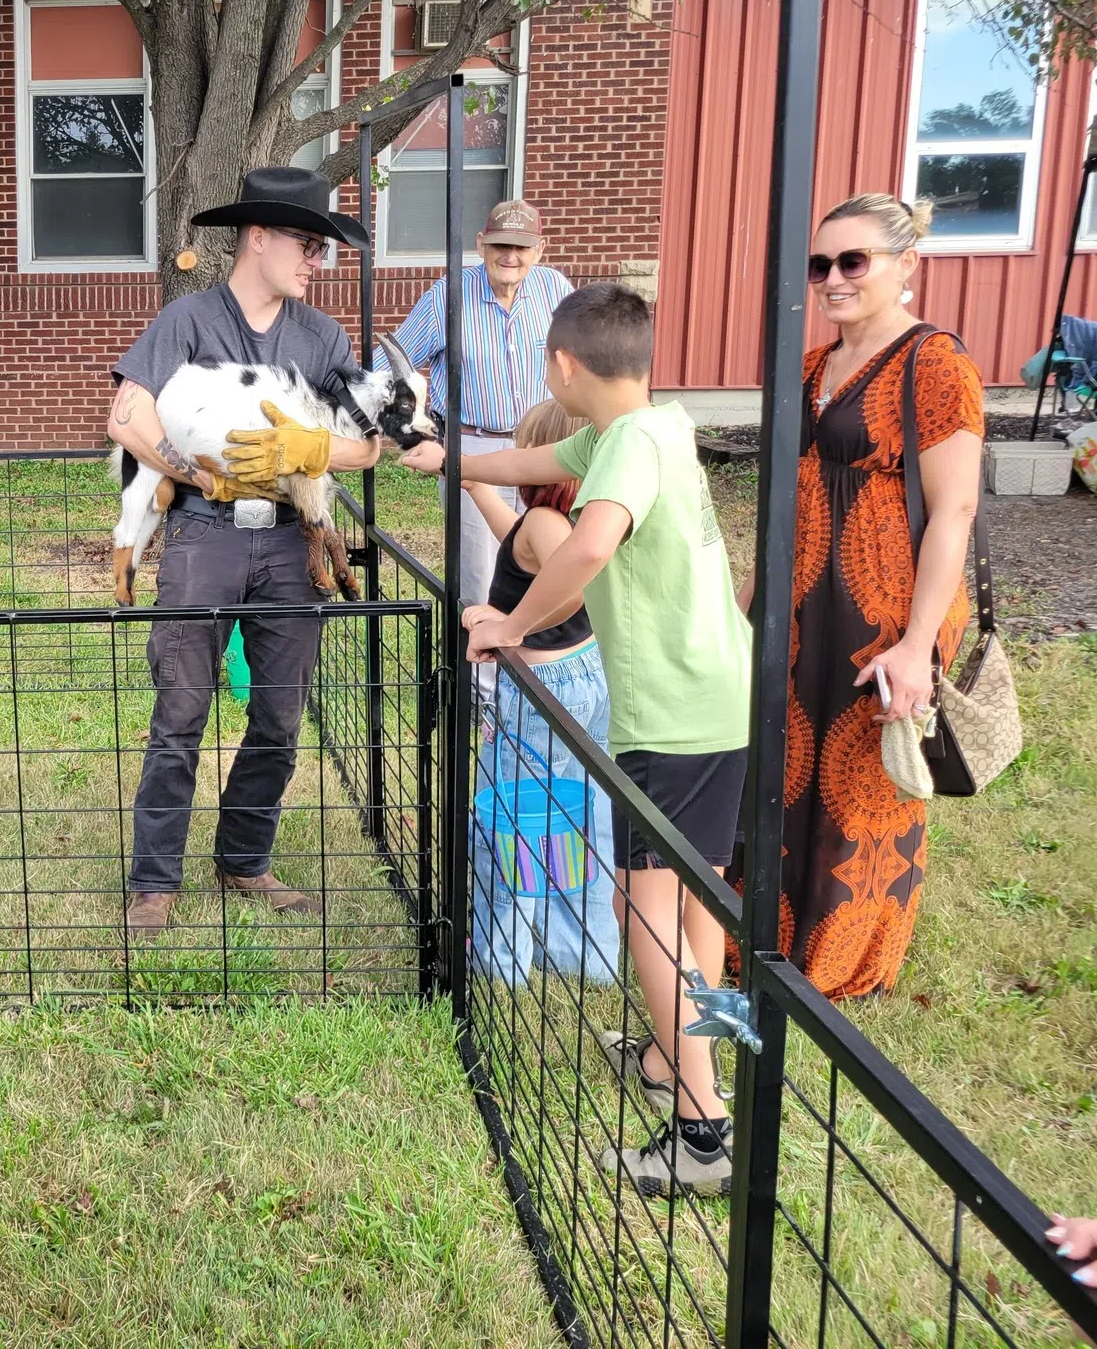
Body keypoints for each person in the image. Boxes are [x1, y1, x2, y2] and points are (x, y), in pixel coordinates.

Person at [403, 282, 751, 1198]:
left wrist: (511, 625)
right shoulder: (647, 426)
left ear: (562, 363)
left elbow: (590, 546)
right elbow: (526, 462)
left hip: (669, 713)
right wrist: (445, 457)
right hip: (721, 696)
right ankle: (683, 1058)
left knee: (646, 910)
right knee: (699, 900)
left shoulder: (624, 445)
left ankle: (702, 1132)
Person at [107, 166, 386, 942]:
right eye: (306, 242)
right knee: (181, 711)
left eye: (322, 248)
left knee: (280, 715)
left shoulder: (322, 338)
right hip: (204, 534)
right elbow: (126, 414)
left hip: (293, 543)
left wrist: (311, 448)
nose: (316, 260)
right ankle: (154, 882)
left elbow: (369, 445)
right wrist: (194, 472)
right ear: (258, 237)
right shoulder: (189, 321)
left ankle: (244, 860)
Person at [763, 193, 983, 1000]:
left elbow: (954, 510)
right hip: (802, 605)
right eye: (820, 264)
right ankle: (769, 935)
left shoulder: (935, 363)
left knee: (862, 787)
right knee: (788, 766)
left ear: (906, 265)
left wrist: (918, 646)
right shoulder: (814, 365)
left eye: (853, 261)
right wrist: (749, 600)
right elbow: (789, 492)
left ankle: (843, 960)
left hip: (884, 613)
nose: (833, 279)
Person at [467, 397, 620, 989]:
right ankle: (581, 953)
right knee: (580, 813)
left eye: (525, 450)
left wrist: (510, 625)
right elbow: (522, 549)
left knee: (512, 815)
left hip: (541, 688)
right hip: (585, 675)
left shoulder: (545, 524)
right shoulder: (567, 521)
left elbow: (571, 588)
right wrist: (474, 484)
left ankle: (501, 960)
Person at [375, 198, 573, 608]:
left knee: (550, 567)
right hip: (472, 447)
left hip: (545, 448)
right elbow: (386, 371)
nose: (510, 256)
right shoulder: (447, 296)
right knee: (480, 578)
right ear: (481, 244)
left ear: (540, 249)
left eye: (521, 247)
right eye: (501, 245)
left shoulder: (555, 289)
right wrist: (414, 431)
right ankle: (476, 653)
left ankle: (532, 648)